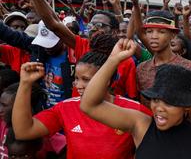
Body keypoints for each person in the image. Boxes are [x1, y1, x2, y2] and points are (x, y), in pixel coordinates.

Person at [12, 35, 151, 159]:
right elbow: (24, 131)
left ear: (106, 79)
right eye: (76, 78)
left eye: (86, 79)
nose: (78, 85)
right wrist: (25, 84)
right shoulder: (65, 108)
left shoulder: (134, 111)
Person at [17, 0, 137, 99]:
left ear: (115, 32)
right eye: (91, 25)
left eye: (99, 26)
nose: (92, 29)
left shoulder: (127, 61)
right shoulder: (84, 46)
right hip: (76, 115)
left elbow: (131, 98)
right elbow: (54, 23)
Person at [80, 39, 191, 159]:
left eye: (169, 102)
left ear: (186, 106)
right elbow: (89, 105)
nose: (159, 108)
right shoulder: (141, 125)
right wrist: (113, 60)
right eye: (155, 99)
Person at [129, 0, 191, 124]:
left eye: (161, 32)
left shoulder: (188, 67)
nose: (154, 36)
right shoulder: (141, 68)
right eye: (149, 31)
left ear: (173, 35)